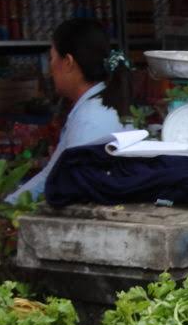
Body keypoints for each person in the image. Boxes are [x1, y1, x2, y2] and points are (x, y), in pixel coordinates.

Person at [8, 18, 130, 202]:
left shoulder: (91, 118)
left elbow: (66, 183)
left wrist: (7, 207)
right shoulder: (93, 108)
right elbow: (53, 174)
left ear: (68, 62)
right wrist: (8, 205)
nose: (50, 70)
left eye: (52, 58)